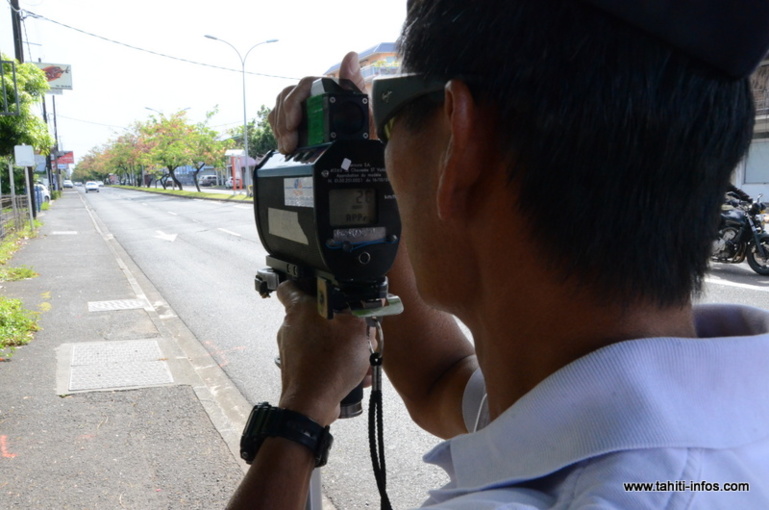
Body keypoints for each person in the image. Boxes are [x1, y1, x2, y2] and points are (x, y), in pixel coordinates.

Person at [228, 0, 769, 508]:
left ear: (459, 145)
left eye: (390, 117)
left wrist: (299, 414)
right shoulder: (688, 408)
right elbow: (441, 379)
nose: (385, 158)